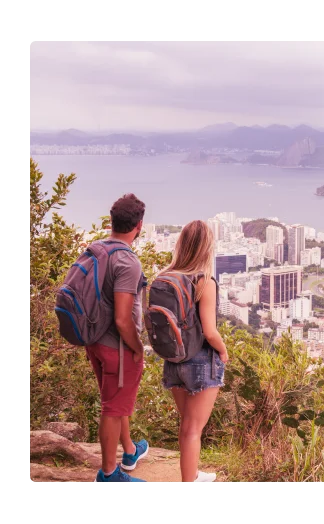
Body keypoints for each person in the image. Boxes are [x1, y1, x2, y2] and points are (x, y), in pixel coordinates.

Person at [160, 220, 229, 483]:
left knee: (186, 425)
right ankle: (189, 482)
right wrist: (223, 352)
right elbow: (209, 331)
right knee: (193, 429)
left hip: (173, 359)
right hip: (200, 361)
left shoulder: (166, 276)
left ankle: (193, 474)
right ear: (207, 248)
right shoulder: (204, 282)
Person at [87, 194, 150, 483]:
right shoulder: (127, 261)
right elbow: (123, 319)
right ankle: (109, 475)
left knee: (115, 400)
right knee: (112, 409)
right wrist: (137, 347)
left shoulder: (96, 249)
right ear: (139, 225)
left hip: (94, 340)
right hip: (117, 347)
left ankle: (129, 452)